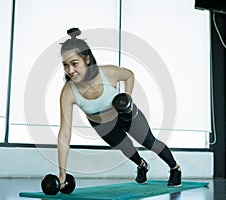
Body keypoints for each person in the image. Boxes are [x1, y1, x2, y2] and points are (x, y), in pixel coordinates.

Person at [57, 28, 181, 189]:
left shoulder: (107, 73)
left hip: (124, 115)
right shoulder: (68, 92)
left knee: (149, 142)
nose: (70, 70)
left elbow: (129, 75)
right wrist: (62, 173)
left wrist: (127, 98)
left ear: (87, 60)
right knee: (126, 148)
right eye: (65, 65)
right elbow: (65, 134)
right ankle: (142, 165)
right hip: (101, 124)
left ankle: (175, 169)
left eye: (74, 63)